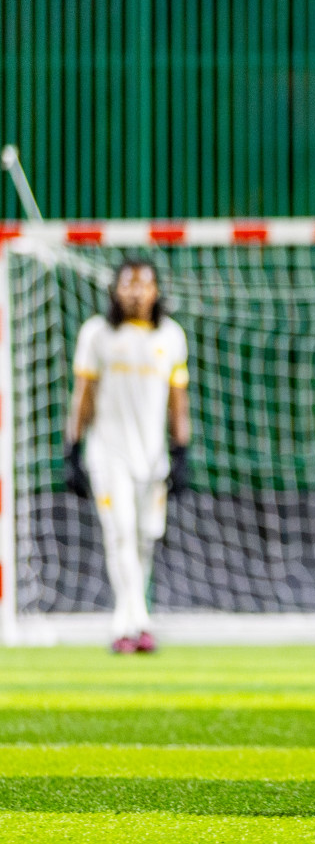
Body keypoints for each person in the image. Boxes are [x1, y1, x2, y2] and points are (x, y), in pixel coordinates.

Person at [65, 260, 191, 654]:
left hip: (152, 458)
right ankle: (131, 623)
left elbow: (178, 401)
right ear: (115, 290)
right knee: (118, 532)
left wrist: (181, 450)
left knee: (143, 540)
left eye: (144, 284)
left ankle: (134, 621)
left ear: (156, 291)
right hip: (108, 453)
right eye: (128, 284)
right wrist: (72, 447)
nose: (136, 292)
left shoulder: (171, 336)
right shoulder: (97, 335)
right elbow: (83, 395)